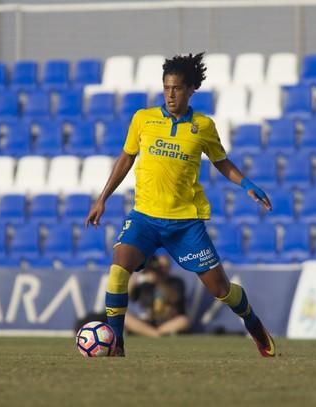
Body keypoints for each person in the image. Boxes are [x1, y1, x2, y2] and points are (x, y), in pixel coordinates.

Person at [85, 52, 276, 357]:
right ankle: (117, 346)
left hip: (185, 223)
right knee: (119, 267)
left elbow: (221, 161)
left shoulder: (203, 126)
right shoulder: (143, 119)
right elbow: (125, 159)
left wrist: (246, 184)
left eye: (176, 88)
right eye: (166, 88)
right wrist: (102, 198)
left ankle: (253, 324)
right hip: (145, 216)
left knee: (221, 290)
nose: (170, 94)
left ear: (190, 90)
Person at [125, 253, 190, 337]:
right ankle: (155, 333)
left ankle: (152, 333)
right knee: (125, 318)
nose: (161, 270)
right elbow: (129, 294)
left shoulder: (176, 282)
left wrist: (159, 282)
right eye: (160, 267)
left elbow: (175, 298)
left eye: (165, 267)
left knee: (184, 321)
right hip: (147, 321)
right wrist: (139, 273)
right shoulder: (145, 282)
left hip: (167, 322)